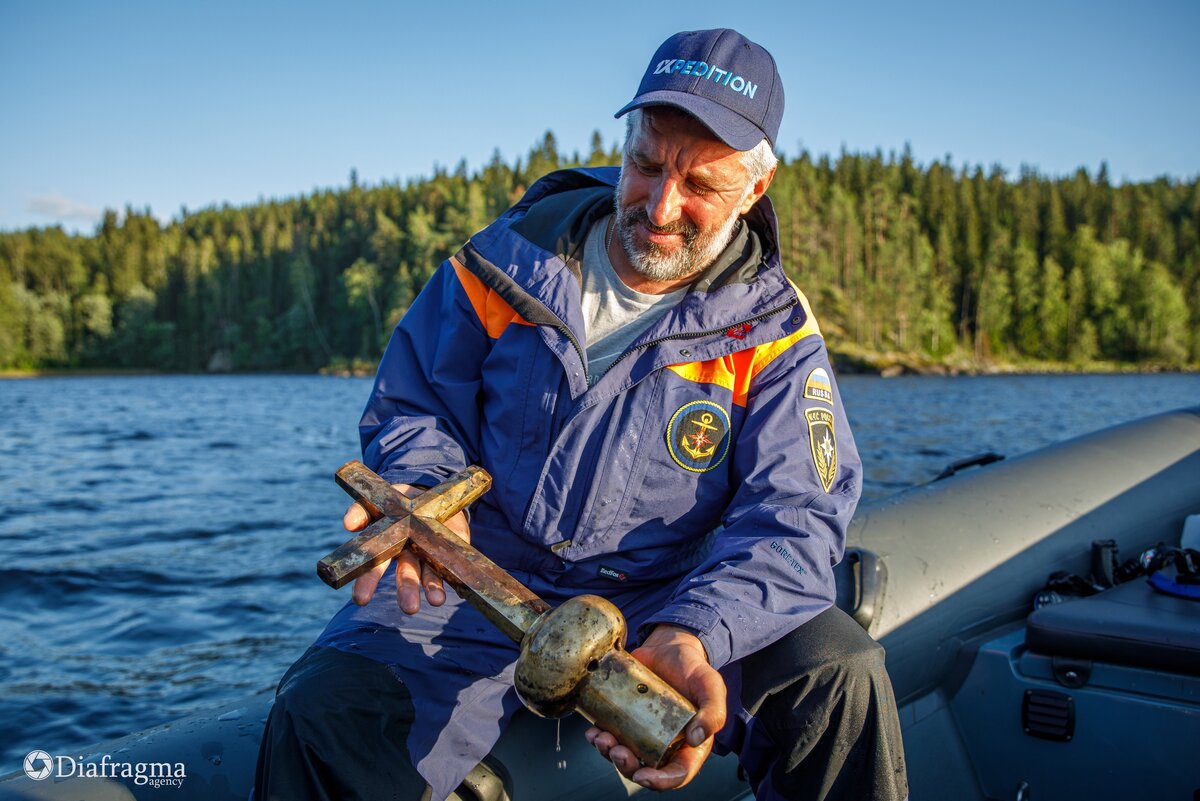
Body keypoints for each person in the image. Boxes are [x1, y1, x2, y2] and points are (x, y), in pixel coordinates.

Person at [255, 28, 907, 801]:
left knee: (840, 675)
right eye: (646, 163)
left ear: (755, 190)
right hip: (480, 582)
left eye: (700, 184)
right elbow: (414, 402)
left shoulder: (776, 332)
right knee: (321, 715)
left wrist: (694, 630)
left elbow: (796, 513)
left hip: (675, 589)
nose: (662, 206)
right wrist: (432, 500)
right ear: (624, 143)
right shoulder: (501, 260)